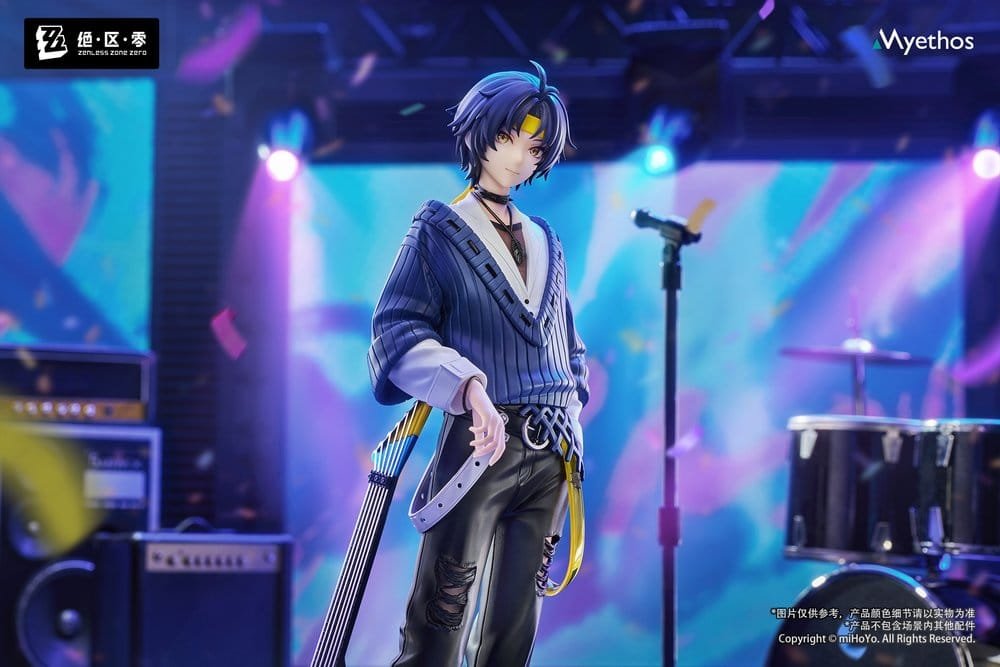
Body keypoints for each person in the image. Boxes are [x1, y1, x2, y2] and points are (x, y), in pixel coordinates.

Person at [367, 60, 589, 667]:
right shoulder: (439, 230)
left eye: (534, 147)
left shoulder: (546, 240)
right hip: (480, 447)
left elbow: (566, 344)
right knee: (442, 617)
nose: (518, 158)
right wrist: (468, 387)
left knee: (515, 628)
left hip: (551, 452)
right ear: (479, 133)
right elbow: (396, 329)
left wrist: (572, 412)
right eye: (507, 138)